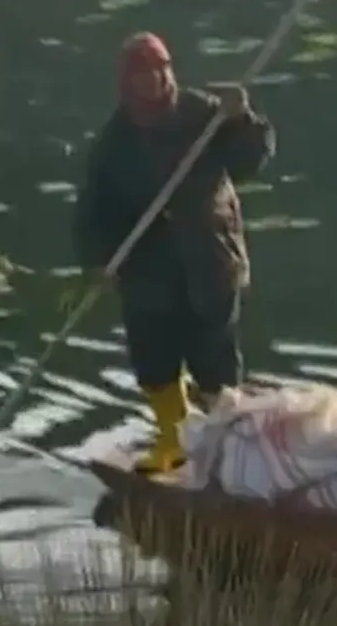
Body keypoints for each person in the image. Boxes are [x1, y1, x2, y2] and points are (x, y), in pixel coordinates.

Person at [73, 32, 276, 473]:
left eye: (161, 69)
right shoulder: (114, 141)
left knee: (215, 360)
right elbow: (94, 209)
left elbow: (248, 162)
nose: (154, 79)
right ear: (127, 82)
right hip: (148, 270)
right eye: (143, 73)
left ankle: (223, 451)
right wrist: (98, 259)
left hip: (210, 257)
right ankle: (173, 440)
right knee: (155, 360)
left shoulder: (202, 113)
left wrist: (242, 119)